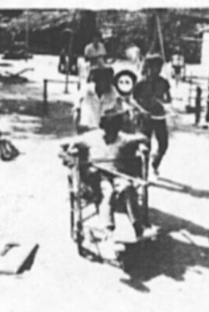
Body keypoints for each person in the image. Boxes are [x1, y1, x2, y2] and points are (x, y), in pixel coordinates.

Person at [61, 106, 157, 244]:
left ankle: (138, 228)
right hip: (97, 175)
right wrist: (69, 152)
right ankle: (108, 230)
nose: (111, 134)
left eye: (115, 130)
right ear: (103, 128)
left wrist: (141, 143)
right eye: (109, 130)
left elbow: (143, 138)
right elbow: (63, 145)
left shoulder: (122, 138)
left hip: (118, 174)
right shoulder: (91, 138)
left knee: (127, 188)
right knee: (108, 191)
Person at [132, 53, 172, 176]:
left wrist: (163, 102)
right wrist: (141, 110)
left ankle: (155, 163)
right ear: (148, 67)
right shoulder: (141, 83)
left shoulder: (163, 82)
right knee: (145, 146)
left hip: (159, 116)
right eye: (155, 67)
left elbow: (169, 99)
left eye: (160, 67)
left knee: (164, 144)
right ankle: (144, 173)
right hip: (145, 118)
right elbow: (132, 100)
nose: (158, 70)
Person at [72, 66, 123, 134]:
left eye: (109, 79)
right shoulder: (86, 90)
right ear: (96, 80)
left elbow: (119, 113)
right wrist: (78, 127)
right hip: (86, 130)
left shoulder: (113, 93)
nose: (106, 82)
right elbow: (77, 109)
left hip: (104, 133)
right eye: (103, 79)